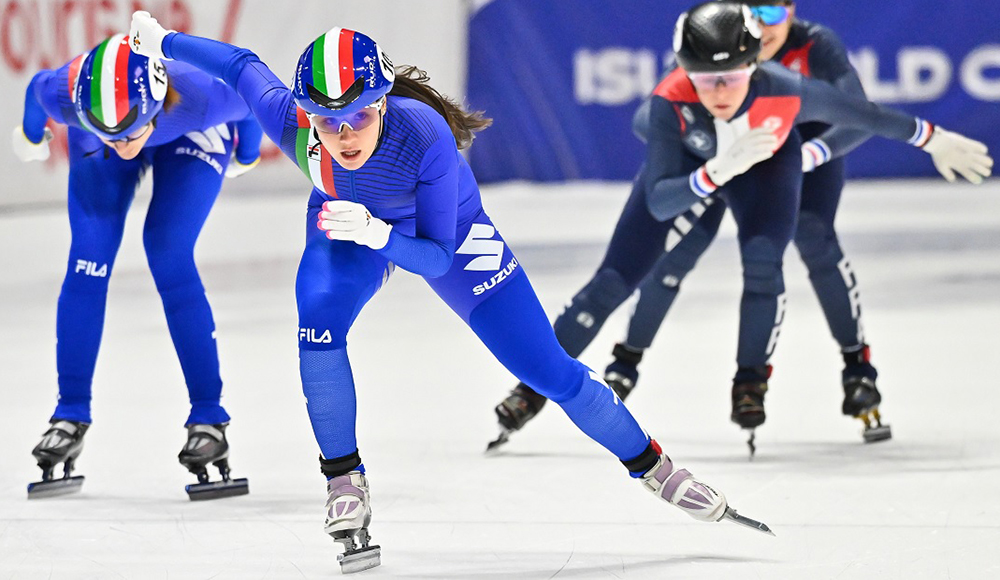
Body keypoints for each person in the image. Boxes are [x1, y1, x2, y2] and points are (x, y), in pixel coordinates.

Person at [128, 10, 774, 573]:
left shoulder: (426, 137)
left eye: (359, 116)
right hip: (350, 231)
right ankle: (343, 479)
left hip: (450, 238)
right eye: (329, 121)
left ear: (382, 103)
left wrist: (380, 234)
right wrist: (163, 44)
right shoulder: (296, 126)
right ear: (308, 115)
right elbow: (240, 64)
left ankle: (655, 468)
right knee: (317, 326)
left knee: (547, 370)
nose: (345, 134)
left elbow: (436, 255)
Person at [489, 1, 991, 454]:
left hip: (769, 161)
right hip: (698, 171)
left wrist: (932, 138)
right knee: (617, 279)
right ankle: (537, 384)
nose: (720, 90)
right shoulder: (673, 97)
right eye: (706, 80)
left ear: (755, 65)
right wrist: (712, 170)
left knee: (771, 258)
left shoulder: (788, 86)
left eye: (732, 76)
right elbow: (661, 198)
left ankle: (754, 378)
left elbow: (864, 114)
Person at [600, 0, 893, 446]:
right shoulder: (711, 44)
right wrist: (703, 158)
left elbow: (860, 116)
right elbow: (652, 118)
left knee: (813, 236)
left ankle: (857, 367)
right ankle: (626, 362)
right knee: (678, 248)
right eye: (752, 14)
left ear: (792, 12)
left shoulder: (815, 45)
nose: (763, 27)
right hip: (724, 157)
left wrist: (809, 155)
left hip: (794, 153)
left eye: (773, 14)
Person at [14, 33, 263, 499]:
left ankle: (208, 416)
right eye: (110, 131)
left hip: (189, 134)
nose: (121, 142)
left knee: (168, 251)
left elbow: (251, 102)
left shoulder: (203, 96)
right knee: (88, 259)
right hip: (102, 130)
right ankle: (69, 412)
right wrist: (33, 134)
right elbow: (35, 91)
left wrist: (245, 156)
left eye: (129, 132)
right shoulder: (66, 94)